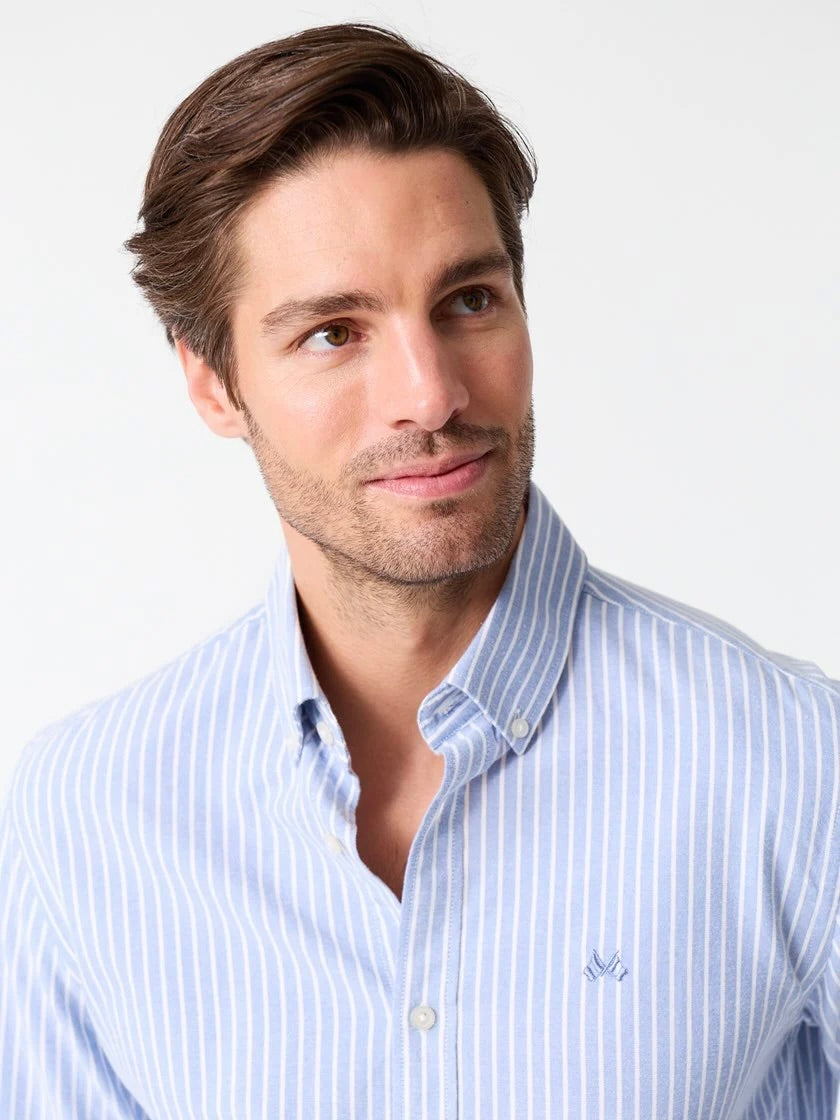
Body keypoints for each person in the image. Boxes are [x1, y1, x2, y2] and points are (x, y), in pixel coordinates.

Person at [1, 21, 838, 1119]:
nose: (430, 394)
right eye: (332, 333)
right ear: (212, 383)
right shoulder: (84, 816)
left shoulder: (796, 766)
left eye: (468, 301)